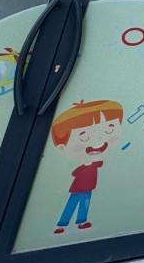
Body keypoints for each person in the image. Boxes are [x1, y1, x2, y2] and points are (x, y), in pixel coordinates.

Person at [49, 99, 124, 234]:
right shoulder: (83, 166)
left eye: (110, 129)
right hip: (77, 189)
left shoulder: (96, 163)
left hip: (88, 189)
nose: (98, 142)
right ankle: (62, 224)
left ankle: (81, 222)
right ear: (62, 147)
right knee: (72, 204)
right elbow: (75, 173)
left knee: (84, 204)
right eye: (83, 136)